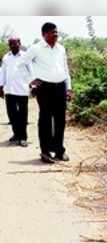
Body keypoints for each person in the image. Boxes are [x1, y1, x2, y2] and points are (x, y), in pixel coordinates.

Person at [20, 22, 73, 163]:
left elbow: (65, 69)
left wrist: (69, 88)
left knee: (60, 120)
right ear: (44, 34)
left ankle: (59, 150)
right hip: (45, 88)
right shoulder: (36, 48)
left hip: (60, 86)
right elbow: (22, 64)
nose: (56, 35)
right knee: (45, 120)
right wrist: (31, 80)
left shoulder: (61, 49)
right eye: (52, 32)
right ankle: (45, 152)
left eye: (56, 32)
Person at [0, 37, 33, 147]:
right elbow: (3, 72)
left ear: (19, 44)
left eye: (15, 44)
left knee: (22, 115)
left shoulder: (25, 56)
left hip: (22, 90)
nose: (13, 46)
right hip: (9, 90)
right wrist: (0, 86)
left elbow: (32, 71)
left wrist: (33, 85)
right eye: (11, 44)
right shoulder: (6, 57)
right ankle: (16, 134)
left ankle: (23, 137)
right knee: (12, 114)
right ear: (9, 45)